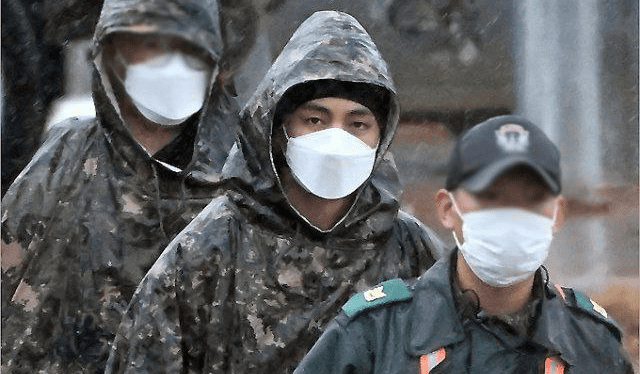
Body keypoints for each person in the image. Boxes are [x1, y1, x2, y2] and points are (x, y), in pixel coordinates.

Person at [105, 10, 444, 374]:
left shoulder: (410, 249)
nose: (336, 138)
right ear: (278, 131)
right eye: (315, 120)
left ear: (381, 138)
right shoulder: (212, 248)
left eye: (358, 124)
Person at [0, 0, 255, 372]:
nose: (168, 65)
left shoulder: (243, 181)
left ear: (217, 64)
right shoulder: (66, 158)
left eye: (187, 49)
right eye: (150, 45)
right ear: (109, 54)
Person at [293, 115, 635, 374]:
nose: (512, 216)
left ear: (557, 214)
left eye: (531, 199)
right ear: (447, 210)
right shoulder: (375, 334)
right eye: (491, 197)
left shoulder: (592, 343)